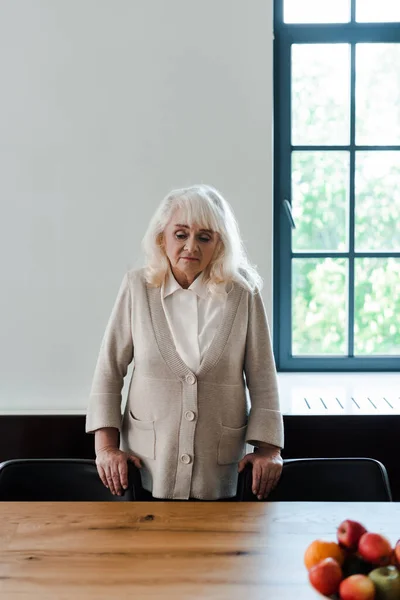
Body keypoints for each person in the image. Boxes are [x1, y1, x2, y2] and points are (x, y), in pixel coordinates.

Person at [86, 184, 284, 500]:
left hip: (219, 469)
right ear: (161, 238)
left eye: (204, 237)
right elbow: (109, 369)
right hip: (147, 467)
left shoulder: (243, 293)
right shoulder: (138, 287)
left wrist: (269, 449)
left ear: (219, 244)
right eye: (181, 235)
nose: (191, 246)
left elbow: (263, 378)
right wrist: (106, 448)